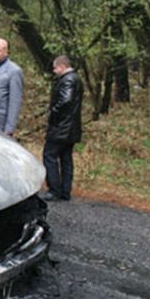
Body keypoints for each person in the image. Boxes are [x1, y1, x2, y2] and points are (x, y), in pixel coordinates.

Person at [40, 55, 84, 202]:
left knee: (49, 156)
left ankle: (54, 189)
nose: (54, 71)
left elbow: (65, 100)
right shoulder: (76, 79)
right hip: (71, 127)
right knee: (66, 158)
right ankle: (65, 190)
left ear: (62, 66)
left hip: (61, 127)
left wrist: (53, 111)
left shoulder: (68, 80)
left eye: (55, 68)